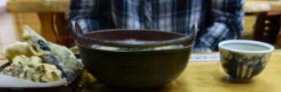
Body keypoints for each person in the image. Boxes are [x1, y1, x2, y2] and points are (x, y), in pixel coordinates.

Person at [69, 0, 244, 51]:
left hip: (190, 65)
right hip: (111, 65)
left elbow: (230, 19)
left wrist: (197, 51)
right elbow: (84, 16)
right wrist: (100, 49)